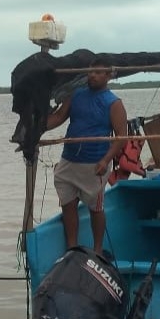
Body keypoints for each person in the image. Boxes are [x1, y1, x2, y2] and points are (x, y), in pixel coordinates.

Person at [44, 58, 127, 255]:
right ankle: (71, 247)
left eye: (99, 72)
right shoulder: (76, 94)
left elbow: (122, 137)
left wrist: (105, 161)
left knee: (96, 208)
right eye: (90, 71)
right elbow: (58, 117)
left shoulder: (113, 103)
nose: (93, 75)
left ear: (108, 76)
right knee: (67, 204)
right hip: (69, 159)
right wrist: (36, 127)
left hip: (95, 162)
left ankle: (97, 249)